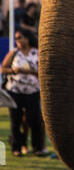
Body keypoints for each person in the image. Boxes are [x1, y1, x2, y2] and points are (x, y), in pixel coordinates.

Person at [0, 28, 46, 157]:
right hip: (15, 90)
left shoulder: (37, 53)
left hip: (32, 91)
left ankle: (37, 147)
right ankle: (17, 148)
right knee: (16, 121)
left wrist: (27, 72)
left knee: (34, 119)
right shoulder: (14, 53)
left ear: (27, 38)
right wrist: (13, 71)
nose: (17, 40)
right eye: (16, 38)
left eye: (20, 37)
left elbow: (42, 73)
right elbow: (3, 69)